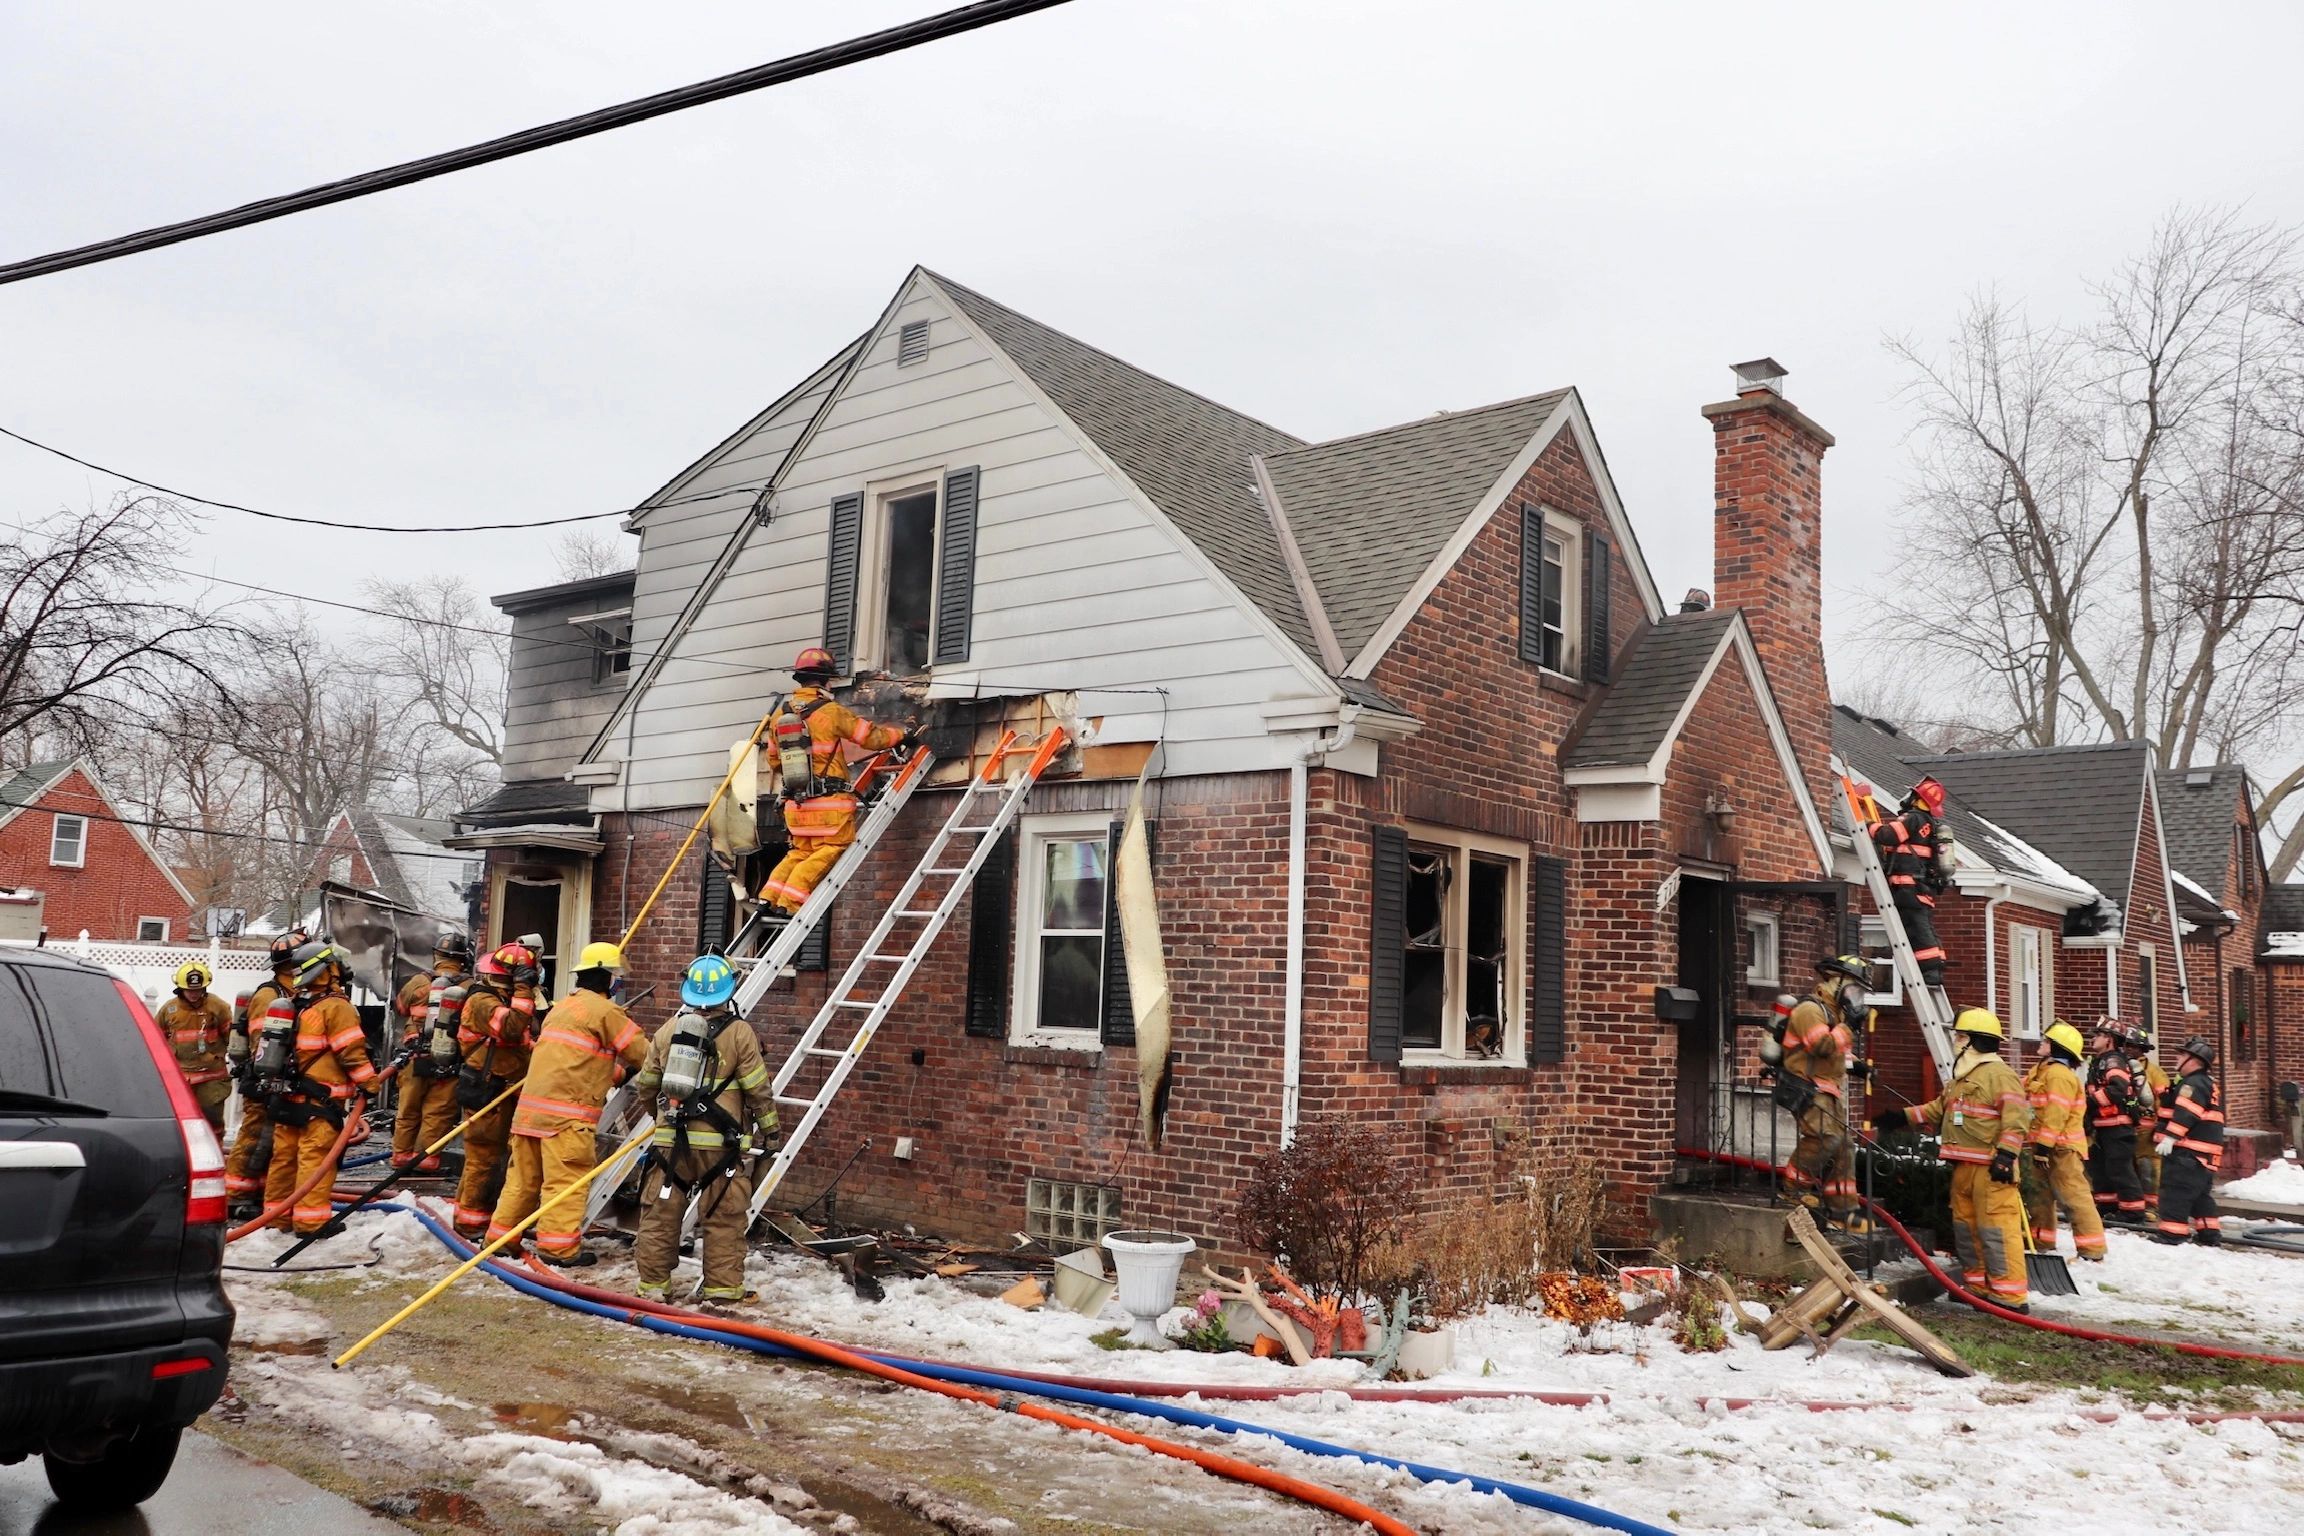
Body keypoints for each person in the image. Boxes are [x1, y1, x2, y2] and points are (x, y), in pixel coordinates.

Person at [487, 942, 649, 1264]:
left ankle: (499, 1239)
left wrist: (615, 1074)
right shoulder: (606, 1012)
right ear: (606, 977)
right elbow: (645, 1054)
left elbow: (574, 1059)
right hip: (566, 1122)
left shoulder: (561, 1008)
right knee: (564, 1185)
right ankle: (558, 1249)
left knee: (522, 1181)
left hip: (530, 1116)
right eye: (616, 976)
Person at [629, 954, 777, 1305]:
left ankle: (653, 1289)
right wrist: (770, 1131)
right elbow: (758, 1089)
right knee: (724, 1220)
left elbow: (646, 1086)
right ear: (730, 990)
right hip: (721, 1149)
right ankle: (723, 1291)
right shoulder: (740, 1033)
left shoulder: (668, 1031)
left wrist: (660, 1120)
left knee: (660, 1218)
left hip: (670, 1147)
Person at [1869, 1008, 2033, 1310]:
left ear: (1975, 1041)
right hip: (1964, 1169)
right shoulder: (1962, 1079)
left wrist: (2006, 1156)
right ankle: (1977, 1287)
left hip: (1991, 1170)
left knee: (1996, 1230)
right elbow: (1937, 1109)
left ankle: (2009, 1295)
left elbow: (2016, 1120)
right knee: (1967, 1229)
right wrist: (1900, 1117)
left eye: (1960, 1036)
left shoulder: (2000, 1076)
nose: (1956, 1042)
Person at [758, 647, 912, 915]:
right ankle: (789, 903)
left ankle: (767, 898)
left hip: (797, 804)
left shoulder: (779, 717)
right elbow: (871, 738)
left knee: (799, 853)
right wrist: (903, 735)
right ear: (827, 680)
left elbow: (773, 761)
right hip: (830, 806)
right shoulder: (830, 711)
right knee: (832, 847)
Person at [259, 941, 379, 1235]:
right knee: (313, 1160)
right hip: (320, 1102)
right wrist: (371, 1084)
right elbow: (350, 1052)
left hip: (287, 1097)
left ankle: (277, 1218)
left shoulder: (294, 1005)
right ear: (328, 971)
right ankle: (311, 1223)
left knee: (284, 1160)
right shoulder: (336, 1008)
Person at [1777, 955, 1874, 1233]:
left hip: (1827, 1088)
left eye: (1861, 992)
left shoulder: (1834, 1013)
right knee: (1825, 1137)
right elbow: (1821, 1046)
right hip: (1805, 1086)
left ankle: (1843, 1210)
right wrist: (1849, 1027)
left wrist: (1858, 1067)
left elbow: (1837, 1052)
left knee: (1844, 1145)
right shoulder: (1810, 1010)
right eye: (1854, 989)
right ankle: (1793, 1189)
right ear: (1835, 982)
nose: (1857, 997)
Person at [451, 941, 540, 1241]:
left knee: (488, 1157)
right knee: (484, 1158)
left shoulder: (498, 998)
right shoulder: (483, 1002)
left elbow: (516, 1043)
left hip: (499, 1089)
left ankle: (472, 1215)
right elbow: (513, 1028)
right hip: (487, 1091)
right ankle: (471, 1223)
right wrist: (524, 991)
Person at [224, 930, 305, 1217]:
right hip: (262, 1080)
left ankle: (256, 1192)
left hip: (280, 1080)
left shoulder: (293, 994)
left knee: (271, 1143)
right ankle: (236, 1195)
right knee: (256, 1137)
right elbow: (262, 1043)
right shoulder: (269, 995)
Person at [2022, 1020, 2106, 1261]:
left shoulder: (2059, 1076)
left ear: (2057, 1047)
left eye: (2047, 1041)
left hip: (2061, 1148)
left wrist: (2044, 1147)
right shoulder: (2043, 1070)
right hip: (2044, 1146)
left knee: (2074, 1196)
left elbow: (2055, 1115)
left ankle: (2092, 1251)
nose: (2042, 1043)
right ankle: (2041, 1240)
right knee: (2039, 1195)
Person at [389, 933, 473, 1172]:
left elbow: (401, 1006)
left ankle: (401, 1155)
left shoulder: (418, 981)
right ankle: (425, 1159)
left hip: (415, 1057)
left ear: (436, 955)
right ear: (463, 958)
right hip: (448, 1061)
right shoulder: (469, 987)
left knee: (408, 1108)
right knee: (437, 1112)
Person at [1870, 776, 1950, 986]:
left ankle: (1929, 972)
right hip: (1920, 887)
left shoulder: (1913, 818)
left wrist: (1868, 826)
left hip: (1907, 886)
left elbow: (1888, 835)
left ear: (1918, 798)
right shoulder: (1931, 824)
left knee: (1916, 928)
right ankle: (1934, 970)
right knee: (1923, 926)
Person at [2153, 1035, 2226, 1246]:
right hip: (2204, 1155)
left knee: (2175, 1192)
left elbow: (2187, 1114)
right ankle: (2209, 1235)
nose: (2178, 1058)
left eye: (2183, 1054)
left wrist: (2170, 1138)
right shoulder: (2205, 1083)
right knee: (2200, 1197)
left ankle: (2172, 1234)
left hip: (2188, 1152)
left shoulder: (2192, 1084)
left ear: (2195, 1060)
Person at [2084, 1019, 2150, 1224]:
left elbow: (2118, 1088)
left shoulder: (2113, 1061)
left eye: (2098, 1035)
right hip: (2103, 1127)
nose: (2093, 1039)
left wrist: (2090, 1102)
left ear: (2109, 1040)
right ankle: (2107, 1207)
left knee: (2120, 1169)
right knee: (2101, 1170)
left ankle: (2133, 1212)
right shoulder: (2100, 1061)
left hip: (2117, 1126)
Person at [157, 962, 233, 1134]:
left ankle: (216, 1154)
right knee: (180, 1123)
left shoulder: (218, 1007)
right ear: (180, 988)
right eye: (190, 990)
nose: (194, 994)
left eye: (198, 990)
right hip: (179, 1077)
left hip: (211, 1079)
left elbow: (231, 1037)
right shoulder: (169, 1010)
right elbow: (156, 1041)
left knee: (212, 1124)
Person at [2131, 1026, 2172, 1214]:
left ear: (2142, 1049)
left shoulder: (2155, 1073)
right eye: (2125, 1045)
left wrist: (2162, 1128)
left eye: (2133, 1046)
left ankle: (2151, 1207)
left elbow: (2166, 1102)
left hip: (2147, 1131)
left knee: (2148, 1169)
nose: (2128, 1049)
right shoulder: (2118, 1067)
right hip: (2123, 1129)